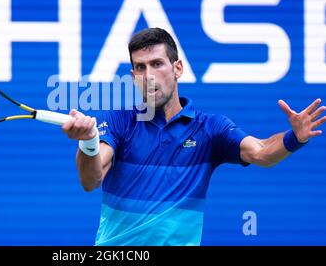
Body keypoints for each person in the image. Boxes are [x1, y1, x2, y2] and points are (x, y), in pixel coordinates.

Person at [62, 27, 326, 246]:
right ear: (133, 76)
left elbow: (261, 152)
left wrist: (295, 138)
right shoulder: (120, 121)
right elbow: (90, 179)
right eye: (140, 68)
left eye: (157, 64)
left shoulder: (211, 129)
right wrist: (88, 143)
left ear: (177, 68)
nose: (149, 76)